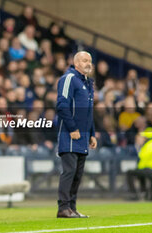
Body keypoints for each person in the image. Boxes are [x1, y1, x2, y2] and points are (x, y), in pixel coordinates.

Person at [56, 51, 97, 218]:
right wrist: (72, 128)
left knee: (78, 174)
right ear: (76, 63)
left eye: (90, 61)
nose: (88, 63)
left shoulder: (88, 83)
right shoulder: (69, 79)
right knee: (69, 172)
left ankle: (72, 208)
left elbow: (88, 113)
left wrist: (92, 133)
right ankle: (63, 208)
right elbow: (61, 105)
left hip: (83, 137)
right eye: (85, 60)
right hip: (70, 136)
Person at [126, 127, 152, 201]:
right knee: (142, 173)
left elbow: (141, 162)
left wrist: (139, 146)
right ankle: (146, 194)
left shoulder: (149, 145)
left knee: (130, 173)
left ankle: (134, 195)